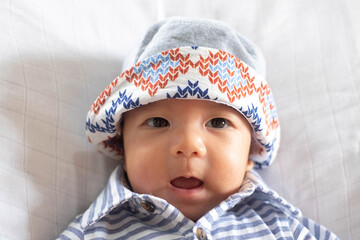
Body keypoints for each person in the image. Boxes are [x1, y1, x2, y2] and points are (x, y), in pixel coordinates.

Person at [58, 17, 338, 239]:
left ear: (250, 152)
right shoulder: (93, 231)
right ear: (122, 144)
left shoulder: (283, 227)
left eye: (218, 123)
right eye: (158, 122)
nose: (189, 144)